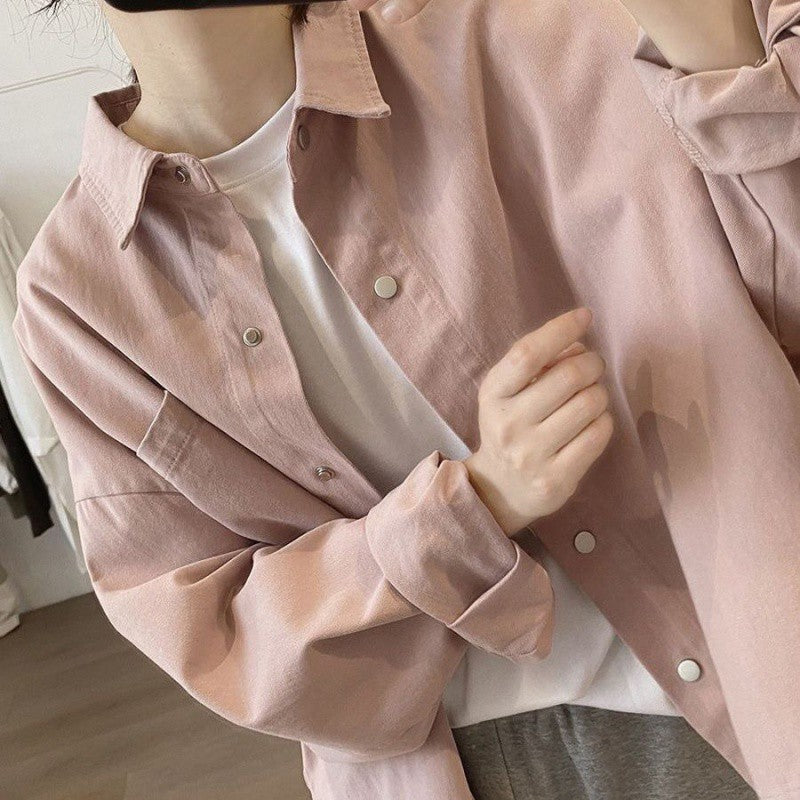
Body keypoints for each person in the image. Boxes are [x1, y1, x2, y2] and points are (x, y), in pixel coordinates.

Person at [12, 0, 800, 798]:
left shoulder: (524, 37)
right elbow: (221, 635)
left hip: (740, 687)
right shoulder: (76, 297)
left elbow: (773, 304)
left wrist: (725, 59)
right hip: (450, 766)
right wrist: (474, 508)